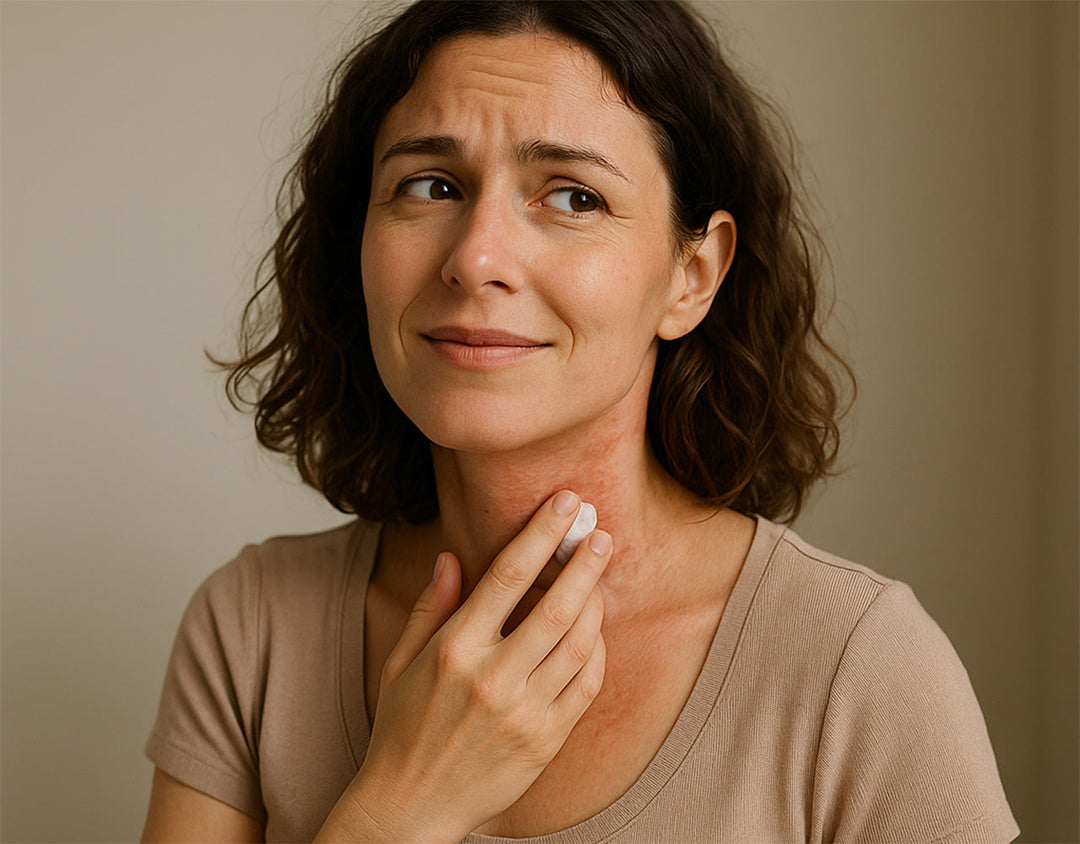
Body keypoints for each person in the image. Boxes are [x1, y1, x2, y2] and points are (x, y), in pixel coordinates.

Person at [141, 1, 1019, 841]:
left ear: (693, 275)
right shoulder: (253, 629)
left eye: (573, 197)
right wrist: (397, 808)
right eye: (431, 184)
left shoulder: (857, 664)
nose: (477, 257)